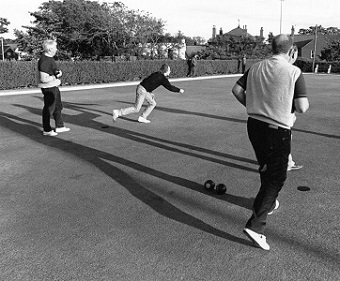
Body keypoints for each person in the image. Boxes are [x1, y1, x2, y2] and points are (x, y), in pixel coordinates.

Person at [231, 34, 309, 250]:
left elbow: (236, 90)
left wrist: (252, 105)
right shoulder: (294, 71)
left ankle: (269, 202)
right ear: (291, 50)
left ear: (272, 48)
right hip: (277, 131)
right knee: (276, 177)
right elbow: (302, 107)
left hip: (254, 126)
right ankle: (256, 226)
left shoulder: (256, 67)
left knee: (267, 167)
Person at [112, 64, 184, 123]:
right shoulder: (162, 78)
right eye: (169, 70)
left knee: (153, 103)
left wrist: (149, 92)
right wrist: (179, 90)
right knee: (136, 108)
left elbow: (149, 82)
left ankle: (142, 117)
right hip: (142, 90)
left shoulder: (157, 74)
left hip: (144, 89)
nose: (170, 71)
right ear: (166, 71)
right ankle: (118, 112)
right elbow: (170, 87)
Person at [37, 38, 70, 136]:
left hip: (53, 86)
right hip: (48, 88)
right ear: (50, 49)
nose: (56, 49)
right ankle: (47, 130)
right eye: (55, 47)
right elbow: (43, 78)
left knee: (57, 107)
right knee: (49, 108)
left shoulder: (50, 59)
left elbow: (52, 72)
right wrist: (56, 76)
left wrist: (57, 73)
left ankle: (59, 126)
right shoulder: (45, 61)